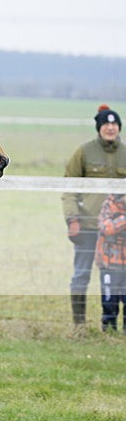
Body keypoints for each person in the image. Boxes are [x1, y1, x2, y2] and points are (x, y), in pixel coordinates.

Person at [62, 105, 126, 332]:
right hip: (87, 226)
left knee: (119, 279)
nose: (110, 128)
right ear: (99, 128)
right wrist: (73, 220)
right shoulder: (84, 152)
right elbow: (69, 189)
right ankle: (79, 324)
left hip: (118, 232)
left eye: (115, 124)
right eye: (106, 124)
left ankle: (110, 325)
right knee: (81, 275)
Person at [95, 193, 126, 333]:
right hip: (109, 262)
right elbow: (106, 228)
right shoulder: (109, 204)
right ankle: (109, 329)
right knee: (109, 301)